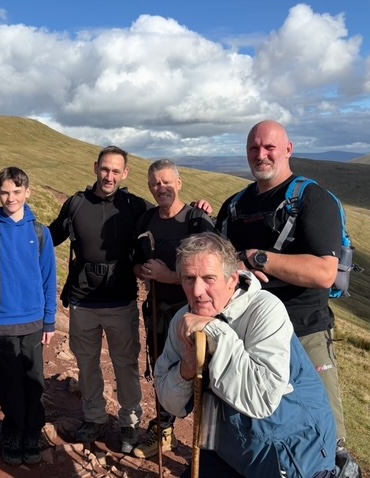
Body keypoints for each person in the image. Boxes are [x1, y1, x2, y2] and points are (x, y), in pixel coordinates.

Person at [215, 120, 349, 456]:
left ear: (288, 149)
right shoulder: (234, 206)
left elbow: (324, 273)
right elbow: (218, 267)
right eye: (253, 148)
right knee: (252, 432)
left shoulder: (312, 200)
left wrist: (257, 258)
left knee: (324, 438)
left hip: (303, 334)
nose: (261, 155)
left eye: (269, 147)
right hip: (247, 335)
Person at [155, 232, 336, 477]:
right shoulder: (184, 319)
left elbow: (261, 399)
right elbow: (170, 402)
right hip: (226, 442)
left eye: (209, 278)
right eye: (188, 278)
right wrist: (186, 369)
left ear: (232, 279)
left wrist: (214, 330)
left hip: (289, 449)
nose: (197, 291)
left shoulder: (265, 310)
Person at [48, 145, 149, 453]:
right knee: (88, 363)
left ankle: (130, 422)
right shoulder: (76, 204)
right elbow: (50, 236)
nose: (109, 176)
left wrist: (197, 211)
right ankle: (94, 418)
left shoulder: (135, 206)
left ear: (125, 173)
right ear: (95, 167)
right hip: (82, 300)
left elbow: (164, 225)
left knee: (125, 363)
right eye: (105, 169)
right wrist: (13, 226)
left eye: (116, 171)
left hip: (121, 300)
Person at [132, 159, 215, 459]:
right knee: (163, 371)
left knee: (204, 377)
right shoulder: (146, 220)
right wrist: (142, 270)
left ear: (179, 183)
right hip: (157, 311)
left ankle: (208, 444)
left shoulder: (197, 220)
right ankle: (164, 431)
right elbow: (135, 261)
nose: (161, 188)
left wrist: (169, 276)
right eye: (155, 183)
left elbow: (213, 274)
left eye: (167, 182)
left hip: (195, 315)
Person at [0, 167, 57, 466]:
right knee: (8, 382)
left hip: (33, 320)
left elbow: (48, 278)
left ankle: (33, 432)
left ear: (27, 193)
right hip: (1, 321)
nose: (10, 198)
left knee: (33, 379)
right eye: (5, 192)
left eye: (16, 192)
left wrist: (49, 320)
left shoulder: (40, 232)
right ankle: (13, 431)